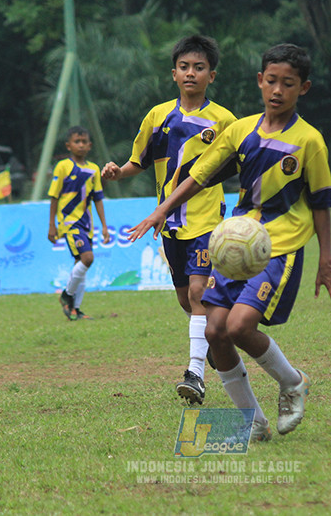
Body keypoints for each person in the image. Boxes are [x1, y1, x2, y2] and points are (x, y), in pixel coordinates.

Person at [129, 43, 331, 442]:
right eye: (271, 81)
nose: (277, 91)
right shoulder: (240, 131)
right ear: (259, 81)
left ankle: (292, 382)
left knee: (237, 326)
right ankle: (254, 421)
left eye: (288, 84)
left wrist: (326, 260)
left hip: (278, 248)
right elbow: (199, 176)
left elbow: (322, 204)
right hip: (236, 245)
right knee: (215, 331)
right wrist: (161, 210)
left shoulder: (310, 142)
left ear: (302, 88)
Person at [102, 34, 237, 406]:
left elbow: (243, 162)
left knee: (197, 293)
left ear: (212, 75)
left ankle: (195, 374)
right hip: (170, 223)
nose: (190, 73)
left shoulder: (224, 120)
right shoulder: (158, 116)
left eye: (199, 67)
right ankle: (214, 339)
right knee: (186, 299)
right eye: (184, 67)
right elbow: (138, 162)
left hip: (207, 220)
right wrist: (117, 172)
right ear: (173, 74)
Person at [48, 126, 110, 321]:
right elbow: (54, 196)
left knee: (80, 265)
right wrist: (52, 225)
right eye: (77, 141)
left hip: (86, 224)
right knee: (88, 258)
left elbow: (98, 198)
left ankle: (75, 309)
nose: (81, 145)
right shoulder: (62, 166)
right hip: (69, 222)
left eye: (84, 142)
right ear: (69, 145)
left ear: (90, 146)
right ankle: (66, 295)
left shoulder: (93, 169)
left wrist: (105, 226)